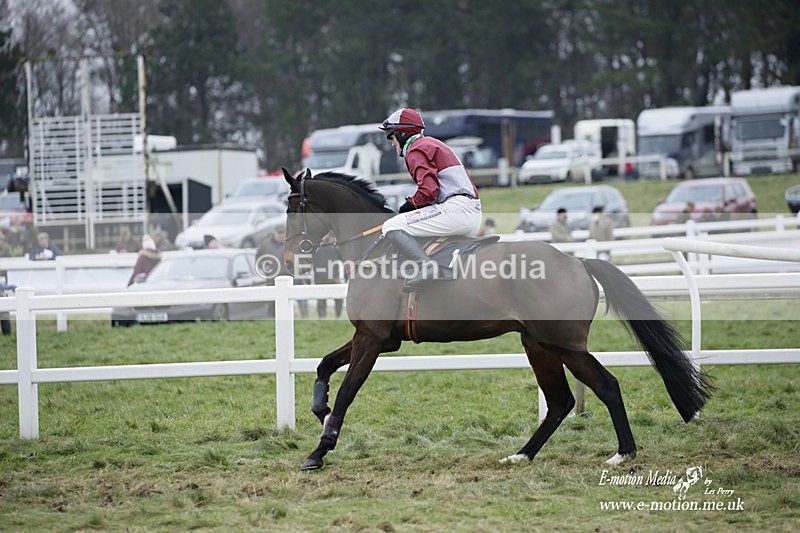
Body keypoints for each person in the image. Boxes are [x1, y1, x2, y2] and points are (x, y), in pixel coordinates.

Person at [378, 107, 482, 291]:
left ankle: (427, 267)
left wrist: (407, 206)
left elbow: (428, 191)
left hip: (456, 209)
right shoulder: (431, 143)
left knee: (391, 225)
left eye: (392, 137)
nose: (392, 144)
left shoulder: (416, 149)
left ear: (402, 133)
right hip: (468, 210)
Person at [313, 233, 344, 318]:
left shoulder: (335, 249)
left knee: (337, 299)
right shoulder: (317, 250)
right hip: (323, 278)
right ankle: (326, 318)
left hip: (330, 277)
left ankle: (336, 317)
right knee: (322, 301)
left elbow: (344, 262)